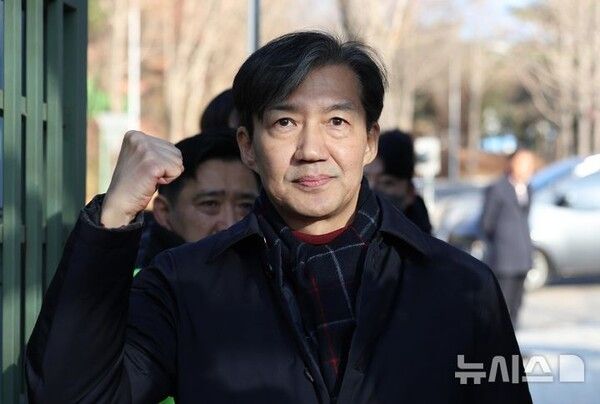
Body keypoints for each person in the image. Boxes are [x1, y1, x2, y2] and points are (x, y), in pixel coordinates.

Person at [26, 31, 531, 403]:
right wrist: (113, 218)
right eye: (285, 122)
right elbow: (72, 396)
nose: (311, 149)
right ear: (247, 145)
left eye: (337, 121)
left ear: (369, 141)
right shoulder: (185, 284)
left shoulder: (460, 285)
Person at [135, 129, 260, 267]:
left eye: (245, 205)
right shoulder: (131, 274)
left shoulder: (272, 269)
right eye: (210, 204)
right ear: (164, 212)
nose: (230, 223)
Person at [480, 149, 536, 328]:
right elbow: (487, 223)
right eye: (524, 163)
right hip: (503, 257)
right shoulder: (497, 188)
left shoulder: (528, 189)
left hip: (523, 255)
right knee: (501, 305)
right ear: (512, 163)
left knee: (517, 305)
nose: (528, 168)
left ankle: (514, 338)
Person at [364, 129, 432, 233]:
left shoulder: (420, 240)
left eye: (386, 183)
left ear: (409, 192)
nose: (371, 188)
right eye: (365, 178)